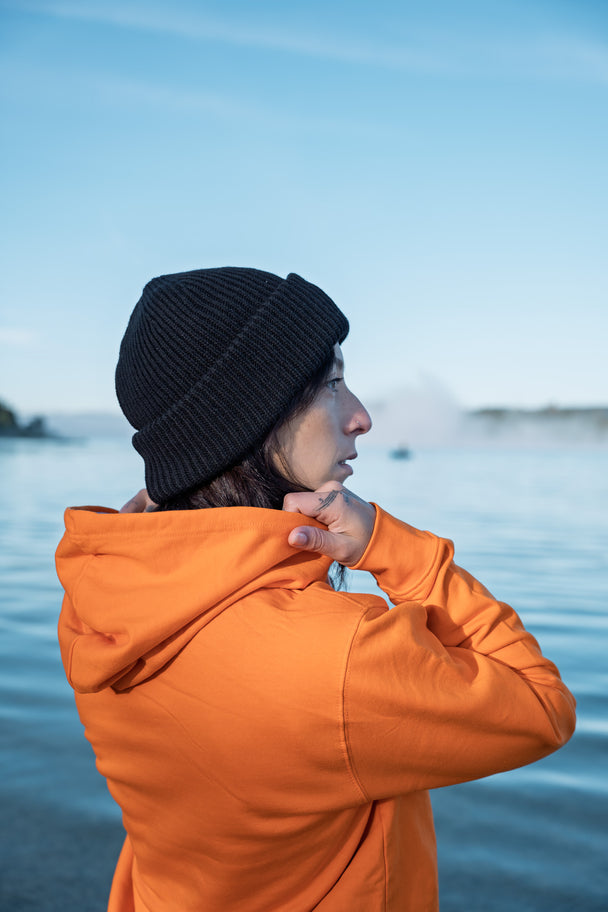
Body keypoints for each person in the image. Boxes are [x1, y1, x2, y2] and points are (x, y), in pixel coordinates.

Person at [56, 267, 576, 912]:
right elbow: (541, 706)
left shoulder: (101, 597)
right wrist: (392, 548)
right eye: (331, 383)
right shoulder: (339, 659)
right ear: (246, 418)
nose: (360, 416)